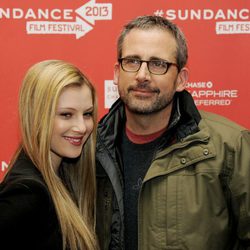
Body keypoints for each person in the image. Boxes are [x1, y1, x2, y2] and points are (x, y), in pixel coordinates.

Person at [95, 15, 250, 250]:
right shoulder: (90, 148)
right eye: (132, 61)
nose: (142, 75)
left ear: (181, 79)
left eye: (158, 64)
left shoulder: (231, 147)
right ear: (117, 73)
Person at [0, 60, 99, 250]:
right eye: (66, 115)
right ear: (37, 116)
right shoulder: (27, 193)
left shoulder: (64, 175)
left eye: (87, 114)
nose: (81, 127)